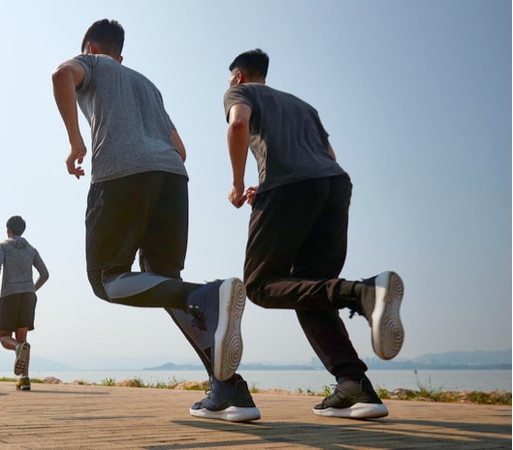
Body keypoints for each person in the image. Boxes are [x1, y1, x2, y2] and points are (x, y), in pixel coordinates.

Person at [51, 18, 259, 422]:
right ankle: (230, 390)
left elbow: (60, 75)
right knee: (164, 282)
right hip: (171, 179)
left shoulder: (91, 64)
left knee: (107, 280)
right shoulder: (147, 84)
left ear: (90, 49)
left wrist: (76, 141)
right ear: (121, 55)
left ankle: (208, 295)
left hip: (121, 176)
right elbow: (180, 149)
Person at [223, 48, 405, 419]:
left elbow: (238, 124)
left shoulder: (240, 93)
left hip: (290, 187)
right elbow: (328, 155)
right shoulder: (304, 106)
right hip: (334, 186)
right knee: (310, 290)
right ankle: (354, 385)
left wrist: (239, 183)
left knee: (259, 285)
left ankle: (362, 292)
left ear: (239, 76)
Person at [0, 215, 50, 391]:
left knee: (4, 337)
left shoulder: (3, 245)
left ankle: (17, 348)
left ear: (8, 230)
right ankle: (24, 379)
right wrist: (32, 289)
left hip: (10, 295)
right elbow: (45, 274)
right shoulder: (31, 249)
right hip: (28, 296)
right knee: (23, 338)